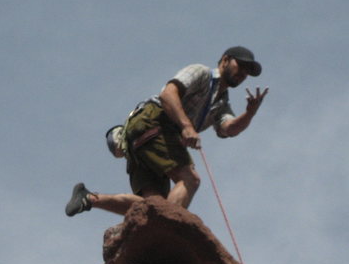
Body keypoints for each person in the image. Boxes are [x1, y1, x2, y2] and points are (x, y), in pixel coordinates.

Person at [65, 46, 268, 216]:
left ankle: (89, 198)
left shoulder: (222, 102)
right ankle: (167, 227)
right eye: (240, 65)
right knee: (189, 179)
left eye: (247, 72)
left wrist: (249, 114)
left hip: (148, 134)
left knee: (154, 205)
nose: (243, 73)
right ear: (225, 60)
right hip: (155, 122)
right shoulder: (201, 73)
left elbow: (229, 129)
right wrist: (187, 127)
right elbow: (168, 94)